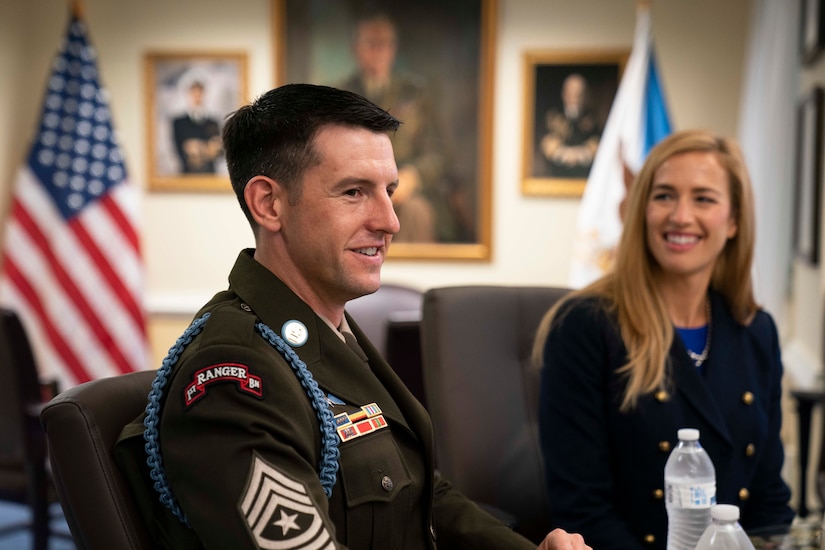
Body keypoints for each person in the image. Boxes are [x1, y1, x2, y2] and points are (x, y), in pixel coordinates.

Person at [115, 83, 590, 550]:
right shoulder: (235, 378)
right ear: (269, 204)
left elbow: (419, 494)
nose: (390, 221)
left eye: (389, 190)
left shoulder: (327, 330)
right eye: (354, 192)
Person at [532, 130, 794, 549]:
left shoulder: (756, 330)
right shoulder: (584, 326)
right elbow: (582, 510)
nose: (681, 216)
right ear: (641, 211)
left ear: (733, 221)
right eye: (664, 196)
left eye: (703, 199)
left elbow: (768, 498)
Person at [339, 11, 464, 243]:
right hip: (355, 189)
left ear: (393, 49)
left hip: (409, 193)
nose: (378, 52)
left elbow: (438, 153)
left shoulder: (415, 94)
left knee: (417, 212)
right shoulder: (340, 95)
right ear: (356, 49)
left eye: (385, 44)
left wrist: (412, 177)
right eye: (371, 44)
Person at [536, 73, 601, 179]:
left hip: (584, 177)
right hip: (556, 177)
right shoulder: (552, 117)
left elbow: (596, 144)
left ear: (585, 96)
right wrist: (564, 154)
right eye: (571, 93)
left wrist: (580, 154)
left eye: (579, 94)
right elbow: (546, 144)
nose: (575, 98)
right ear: (564, 94)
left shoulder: (592, 119)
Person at [172, 77, 223, 174]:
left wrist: (199, 148)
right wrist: (206, 148)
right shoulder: (179, 123)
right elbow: (178, 150)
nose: (197, 97)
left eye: (200, 94)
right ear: (189, 95)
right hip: (188, 174)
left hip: (210, 175)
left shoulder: (213, 123)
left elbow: (218, 151)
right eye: (194, 94)